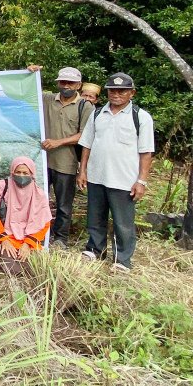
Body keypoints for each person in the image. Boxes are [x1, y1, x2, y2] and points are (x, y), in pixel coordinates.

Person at [77, 73, 154, 273]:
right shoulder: (97, 114)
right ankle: (95, 249)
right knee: (95, 217)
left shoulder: (141, 117)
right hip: (97, 175)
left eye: (122, 91)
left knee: (123, 223)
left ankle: (122, 260)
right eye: (112, 90)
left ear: (132, 93)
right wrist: (82, 170)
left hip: (124, 180)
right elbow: (87, 144)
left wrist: (141, 181)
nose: (116, 94)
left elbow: (146, 152)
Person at [27, 66, 93, 248]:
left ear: (78, 85)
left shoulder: (84, 106)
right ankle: (37, 234)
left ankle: (60, 239)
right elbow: (26, 89)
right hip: (42, 161)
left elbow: (85, 135)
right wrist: (29, 73)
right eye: (63, 82)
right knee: (38, 200)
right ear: (57, 83)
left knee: (63, 204)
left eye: (70, 83)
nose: (66, 86)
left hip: (66, 163)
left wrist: (58, 142)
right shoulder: (48, 99)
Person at [0, 157, 52, 274]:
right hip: (6, 237)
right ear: (12, 172)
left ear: (32, 174)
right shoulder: (2, 187)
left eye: (25, 173)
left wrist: (27, 244)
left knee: (35, 268)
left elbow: (44, 223)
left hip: (29, 240)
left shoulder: (39, 194)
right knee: (9, 267)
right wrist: (4, 239)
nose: (21, 176)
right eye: (18, 172)